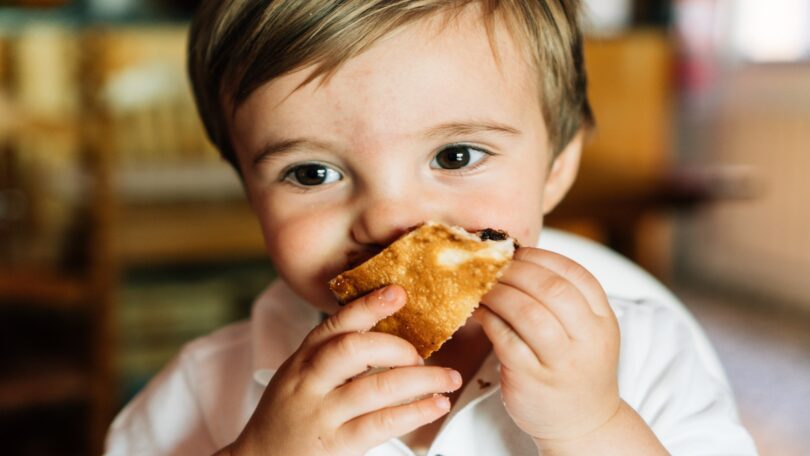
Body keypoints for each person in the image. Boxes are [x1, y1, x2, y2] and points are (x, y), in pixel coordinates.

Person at [105, 1, 758, 455]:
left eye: (455, 156)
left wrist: (594, 425)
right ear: (249, 190)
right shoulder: (205, 388)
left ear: (556, 167)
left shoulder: (646, 355)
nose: (392, 221)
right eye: (310, 173)